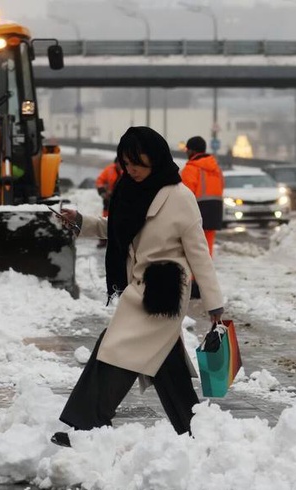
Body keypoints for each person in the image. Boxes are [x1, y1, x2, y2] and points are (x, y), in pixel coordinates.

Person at [51, 126, 224, 447]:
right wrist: (81, 222)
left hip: (164, 291)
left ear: (156, 161)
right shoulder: (129, 189)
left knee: (115, 350)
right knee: (163, 363)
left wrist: (214, 304)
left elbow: (199, 252)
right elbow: (117, 227)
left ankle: (87, 425)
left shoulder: (180, 196)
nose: (132, 171)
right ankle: (195, 429)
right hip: (141, 287)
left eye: (139, 165)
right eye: (127, 164)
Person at [179, 135, 224, 257]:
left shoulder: (190, 169)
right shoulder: (216, 168)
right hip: (215, 209)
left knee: (193, 247)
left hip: (197, 210)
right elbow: (221, 186)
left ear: (192, 150)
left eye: (187, 150)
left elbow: (184, 194)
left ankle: (195, 274)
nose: (186, 152)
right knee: (207, 245)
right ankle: (205, 272)